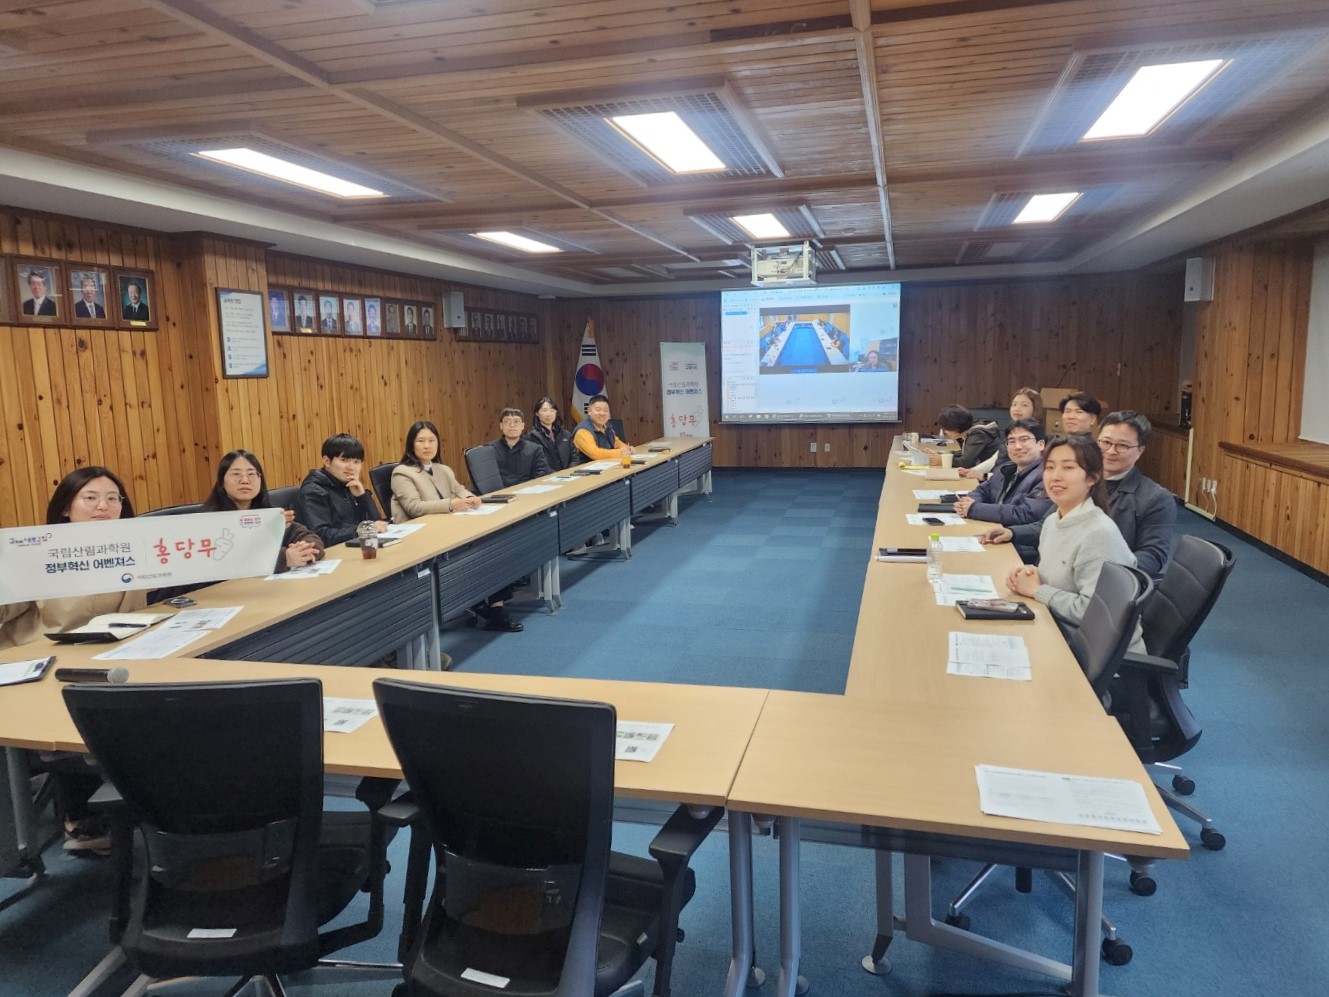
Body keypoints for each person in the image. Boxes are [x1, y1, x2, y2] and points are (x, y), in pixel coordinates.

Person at [0, 466, 147, 855]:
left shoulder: (129, 546)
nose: (104, 507)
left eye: (113, 499)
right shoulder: (34, 553)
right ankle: (80, 819)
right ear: (66, 507)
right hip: (39, 664)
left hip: (105, 656)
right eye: (91, 498)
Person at [982, 411, 1176, 580]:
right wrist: (1013, 533)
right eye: (1105, 442)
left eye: (1122, 446)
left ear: (1140, 450)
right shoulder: (1077, 481)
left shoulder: (1156, 498)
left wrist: (1101, 571)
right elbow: (1048, 524)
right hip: (1053, 575)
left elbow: (1153, 555)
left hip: (1100, 587)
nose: (1110, 451)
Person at [1004, 435, 1143, 651]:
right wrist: (1033, 574)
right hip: (1058, 631)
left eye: (1068, 468)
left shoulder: (1098, 533)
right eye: (1049, 468)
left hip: (1097, 656)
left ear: (1092, 477)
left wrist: (1037, 591)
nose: (1055, 476)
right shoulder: (1053, 521)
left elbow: (1098, 612)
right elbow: (1064, 577)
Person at [390, 421, 521, 632]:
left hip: (449, 527)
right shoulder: (402, 473)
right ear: (411, 445)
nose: (427, 446)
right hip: (422, 536)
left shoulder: (442, 469)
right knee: (475, 552)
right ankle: (477, 602)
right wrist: (452, 504)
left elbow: (458, 489)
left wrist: (470, 498)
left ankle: (496, 606)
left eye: (431, 440)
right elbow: (413, 507)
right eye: (421, 441)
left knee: (494, 543)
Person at [202, 450, 323, 573]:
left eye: (251, 474)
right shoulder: (209, 522)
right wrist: (283, 559)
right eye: (236, 474)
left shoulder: (267, 514)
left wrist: (303, 551)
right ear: (221, 481)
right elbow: (228, 564)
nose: (244, 480)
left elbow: (311, 538)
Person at [953, 419, 1053, 525]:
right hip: (992, 528)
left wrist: (974, 509)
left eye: (1024, 440)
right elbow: (982, 491)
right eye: (1012, 441)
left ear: (1041, 444)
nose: (1017, 446)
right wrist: (965, 504)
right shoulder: (1004, 469)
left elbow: (1026, 514)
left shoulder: (1046, 476)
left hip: (1014, 537)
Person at [297, 434, 386, 546]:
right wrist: (361, 530)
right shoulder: (313, 491)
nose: (351, 467)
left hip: (357, 547)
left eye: (356, 462)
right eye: (344, 460)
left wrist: (362, 497)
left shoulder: (348, 485)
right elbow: (321, 536)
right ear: (327, 461)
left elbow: (376, 523)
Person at [959, 387, 1045, 478]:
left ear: (1035, 409)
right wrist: (972, 471)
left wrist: (983, 476)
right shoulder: (1011, 431)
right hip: (994, 481)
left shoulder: (1036, 437)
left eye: (1024, 405)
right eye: (1014, 404)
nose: (1017, 408)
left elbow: (1018, 476)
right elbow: (994, 459)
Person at [487, 408, 550, 487]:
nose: (512, 425)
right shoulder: (489, 449)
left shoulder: (535, 449)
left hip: (527, 493)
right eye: (507, 422)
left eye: (516, 422)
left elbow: (542, 474)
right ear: (501, 425)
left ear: (522, 426)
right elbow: (484, 478)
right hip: (497, 494)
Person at [936, 404, 999, 469]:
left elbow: (966, 463)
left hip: (995, 473)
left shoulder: (978, 435)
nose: (945, 432)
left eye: (946, 428)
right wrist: (942, 454)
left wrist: (943, 460)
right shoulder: (971, 431)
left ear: (955, 428)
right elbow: (964, 453)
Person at [572, 394, 631, 463]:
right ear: (589, 411)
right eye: (598, 410)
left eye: (605, 410)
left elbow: (616, 442)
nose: (602, 413)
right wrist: (621, 452)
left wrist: (627, 448)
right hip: (587, 470)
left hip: (606, 466)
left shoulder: (607, 426)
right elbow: (596, 454)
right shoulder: (582, 431)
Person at [526, 395, 574, 471]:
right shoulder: (531, 437)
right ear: (537, 413)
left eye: (552, 410)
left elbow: (575, 456)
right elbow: (537, 463)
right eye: (544, 410)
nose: (548, 414)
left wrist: (570, 471)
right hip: (547, 478)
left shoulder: (565, 434)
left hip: (570, 475)